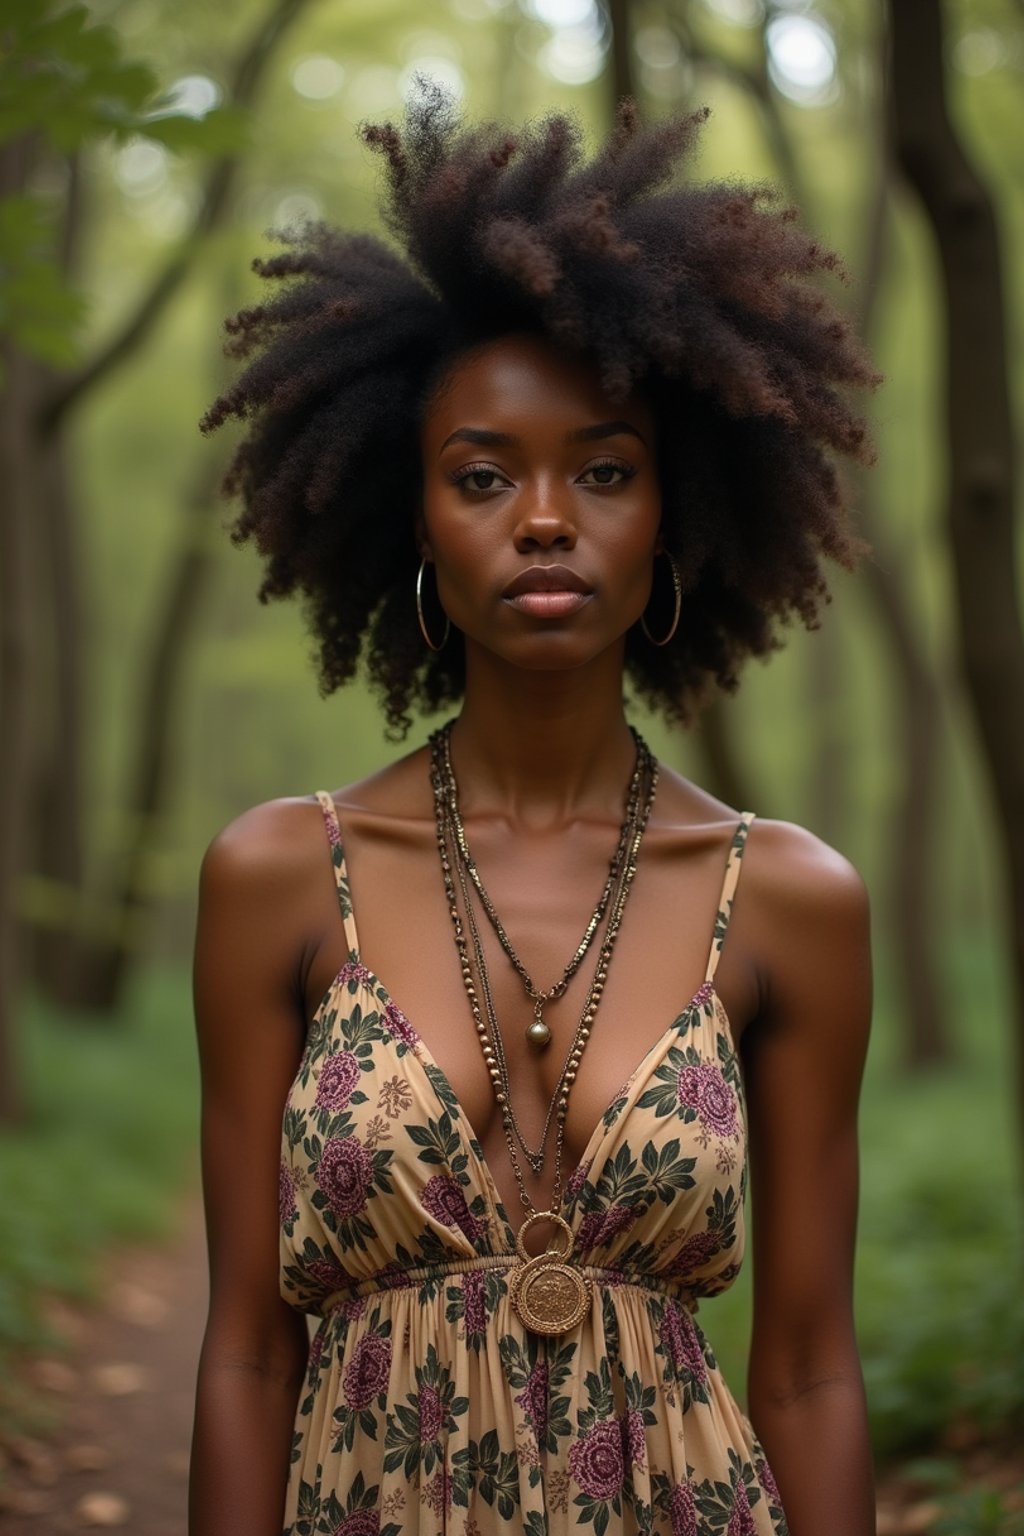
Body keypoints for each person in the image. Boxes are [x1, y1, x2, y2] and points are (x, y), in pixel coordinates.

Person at [189, 90, 879, 1536]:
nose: (547, 517)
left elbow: (811, 1372)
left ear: (673, 525)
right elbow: (250, 1353)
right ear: (414, 528)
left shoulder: (792, 899)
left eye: (607, 472)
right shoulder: (279, 876)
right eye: (485, 476)